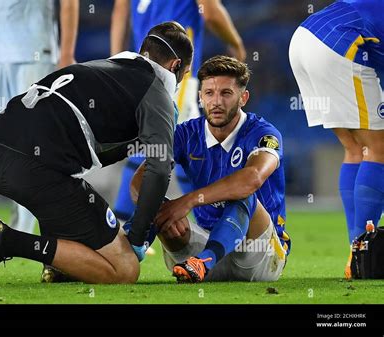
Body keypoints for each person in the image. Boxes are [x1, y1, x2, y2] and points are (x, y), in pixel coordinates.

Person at [0, 21, 193, 285]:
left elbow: (96, 148)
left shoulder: (106, 67)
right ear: (175, 66)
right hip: (34, 167)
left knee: (66, 184)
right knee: (125, 269)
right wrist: (138, 237)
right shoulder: (156, 92)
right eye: (184, 74)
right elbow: (159, 168)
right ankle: (6, 241)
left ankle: (57, 267)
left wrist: (135, 142)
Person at [131, 56, 290, 282]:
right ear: (200, 97)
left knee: (243, 193)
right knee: (165, 213)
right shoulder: (185, 134)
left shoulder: (263, 133)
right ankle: (125, 254)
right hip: (202, 249)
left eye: (226, 93)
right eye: (209, 93)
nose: (216, 102)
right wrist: (164, 208)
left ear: (243, 98)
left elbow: (252, 179)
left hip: (260, 254)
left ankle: (205, 260)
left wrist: (188, 201)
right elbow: (139, 182)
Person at [110, 0, 246, 223]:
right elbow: (211, 12)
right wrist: (237, 44)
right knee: (169, 142)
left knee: (180, 144)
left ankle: (215, 218)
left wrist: (116, 61)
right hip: (175, 69)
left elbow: (120, 10)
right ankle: (123, 226)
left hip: (142, 66)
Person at [0, 0, 79, 235]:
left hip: (36, 53)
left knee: (34, 146)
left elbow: (70, 3)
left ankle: (30, 223)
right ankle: (24, 207)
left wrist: (67, 54)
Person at [289, 0, 384, 278]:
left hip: (304, 40)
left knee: (356, 149)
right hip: (337, 46)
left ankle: (357, 253)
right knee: (378, 148)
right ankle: (363, 253)